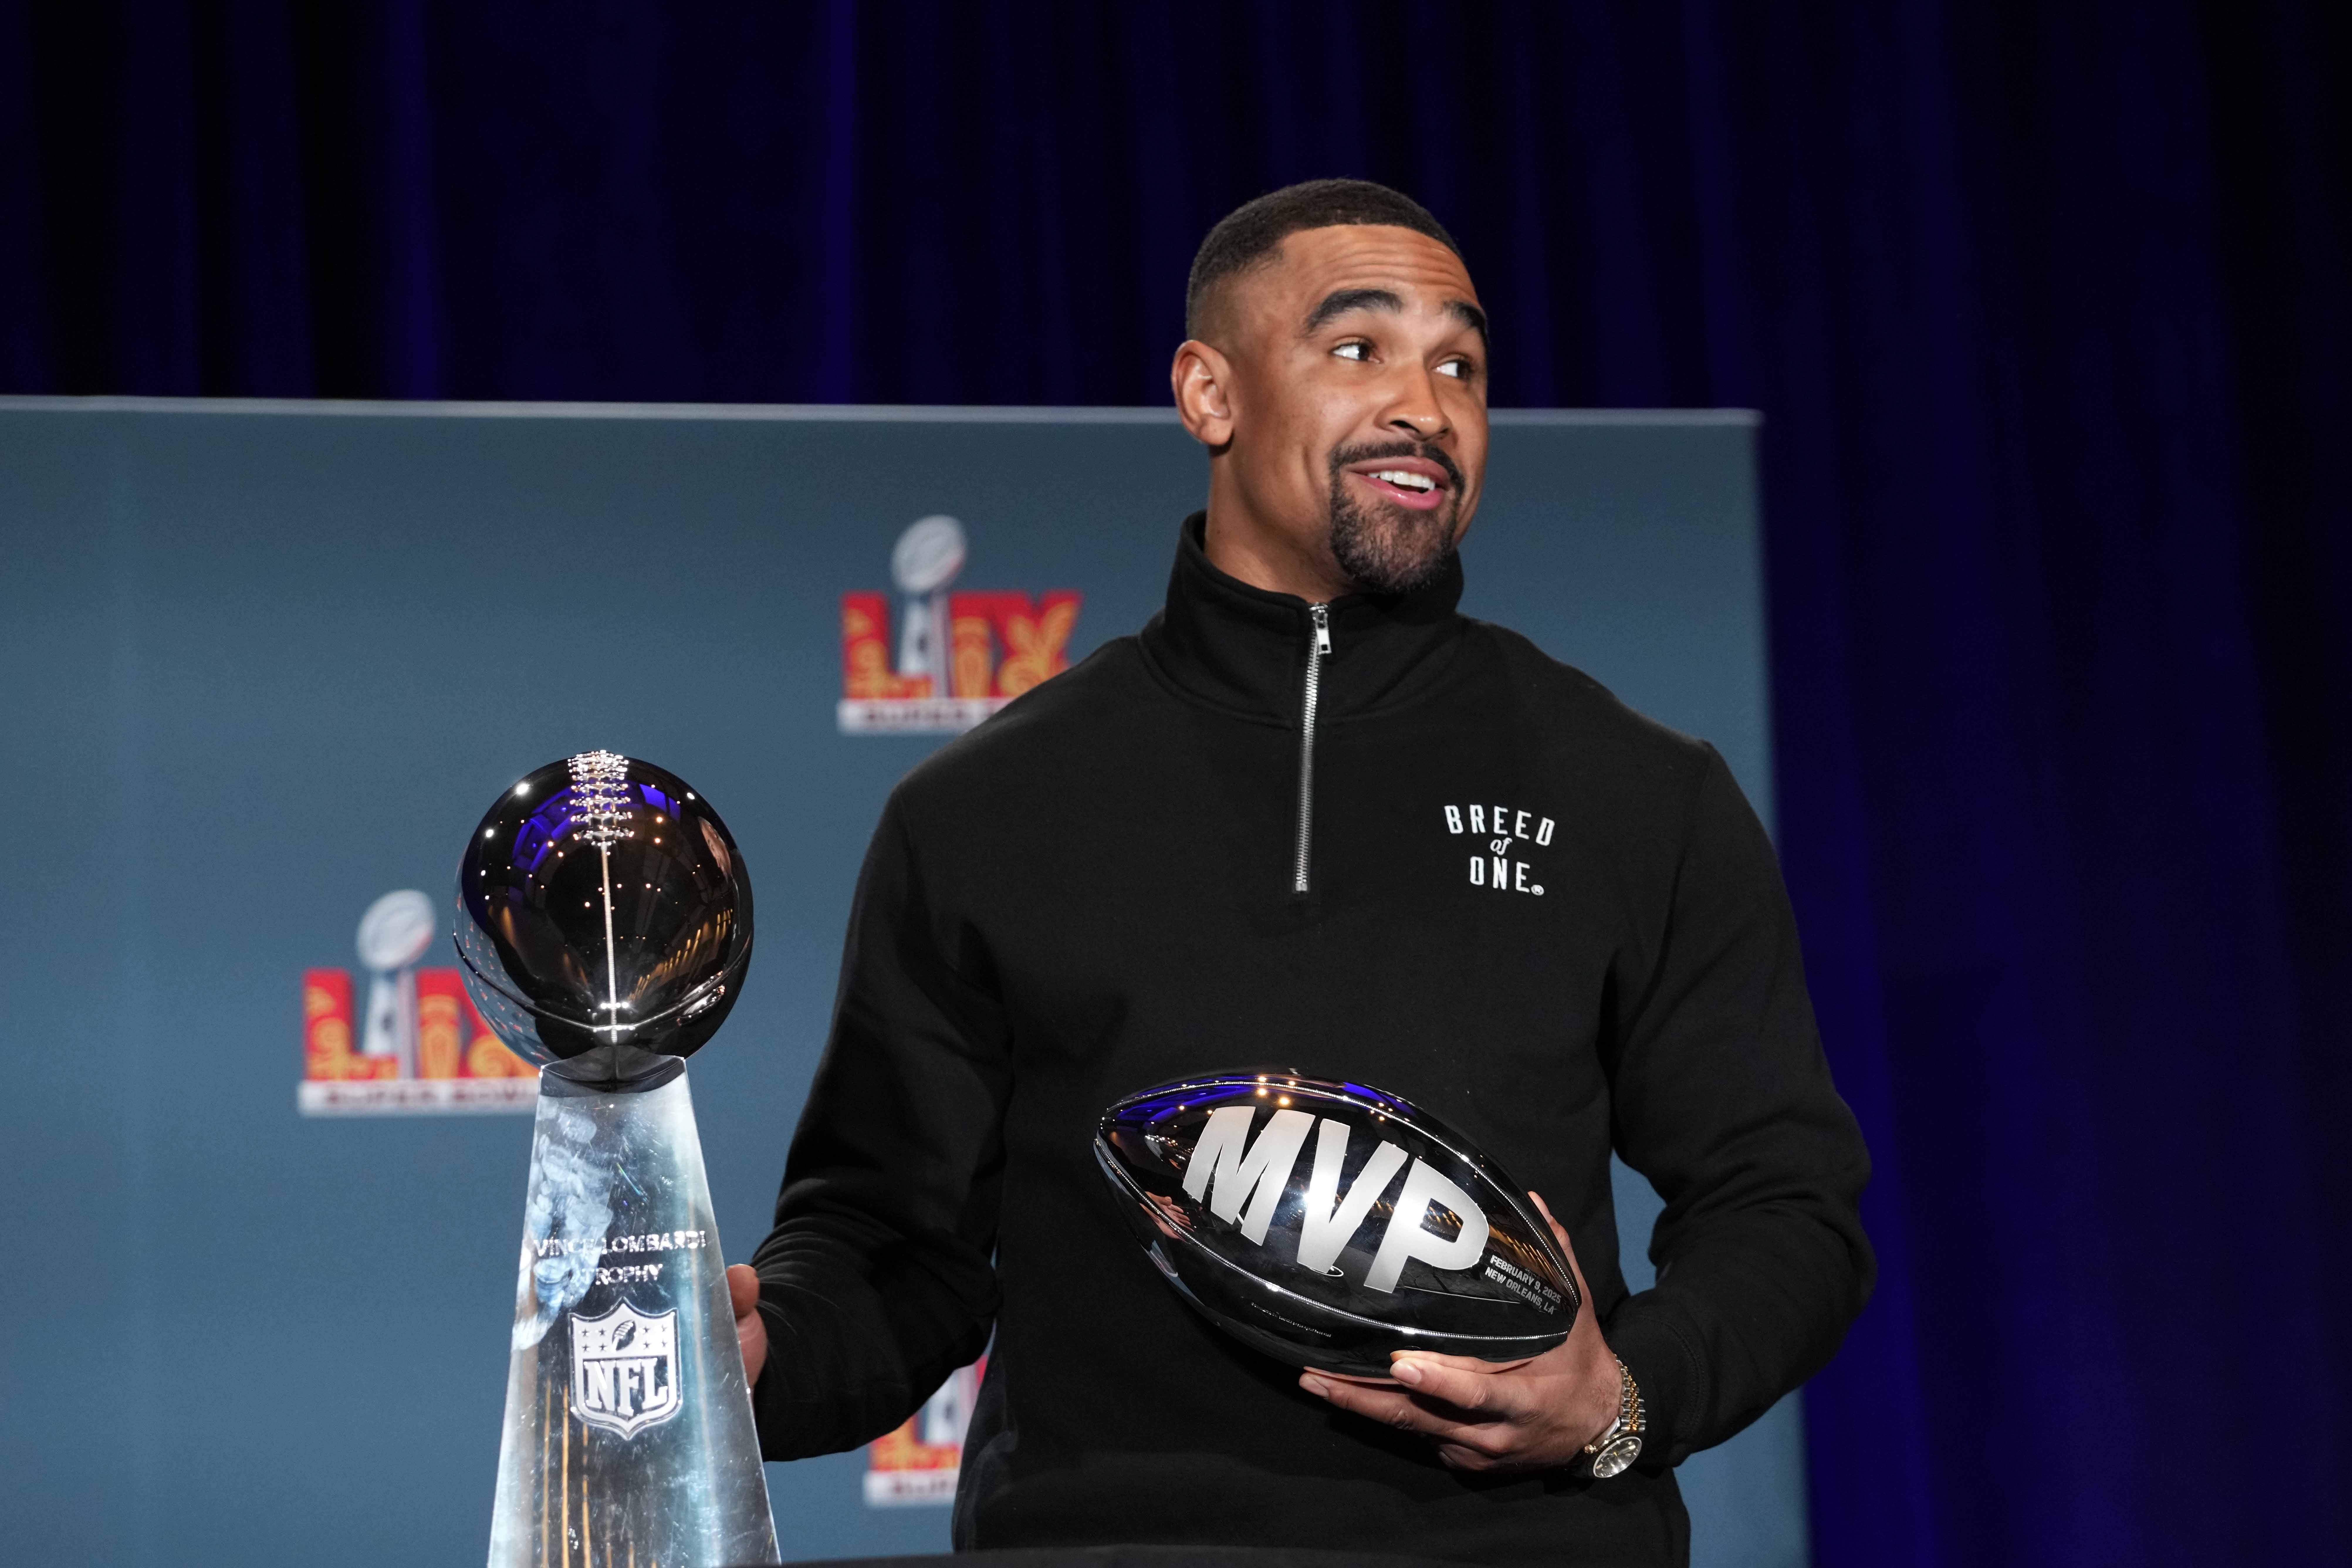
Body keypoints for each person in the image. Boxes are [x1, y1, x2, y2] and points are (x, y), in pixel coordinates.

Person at [727, 178, 1873, 1565]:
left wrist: (1622, 1400)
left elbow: (1784, 1206)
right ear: (1208, 394)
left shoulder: (1638, 789)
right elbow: (889, 1254)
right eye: (1358, 348)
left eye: (1461, 362)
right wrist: (758, 1357)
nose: (1426, 405)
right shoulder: (986, 807)